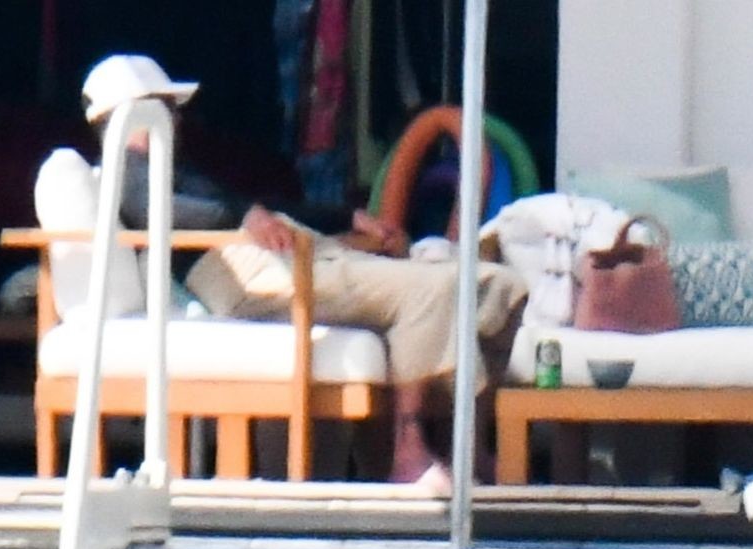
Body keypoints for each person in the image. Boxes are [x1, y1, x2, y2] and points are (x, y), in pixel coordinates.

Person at [80, 54, 529, 491]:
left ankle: (466, 443)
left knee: (498, 286)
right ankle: (408, 454)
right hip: (250, 271)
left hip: (292, 256)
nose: (177, 119)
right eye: (167, 107)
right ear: (137, 112)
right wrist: (244, 216)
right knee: (432, 289)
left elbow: (265, 208)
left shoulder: (174, 169)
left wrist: (346, 217)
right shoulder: (127, 172)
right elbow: (159, 211)